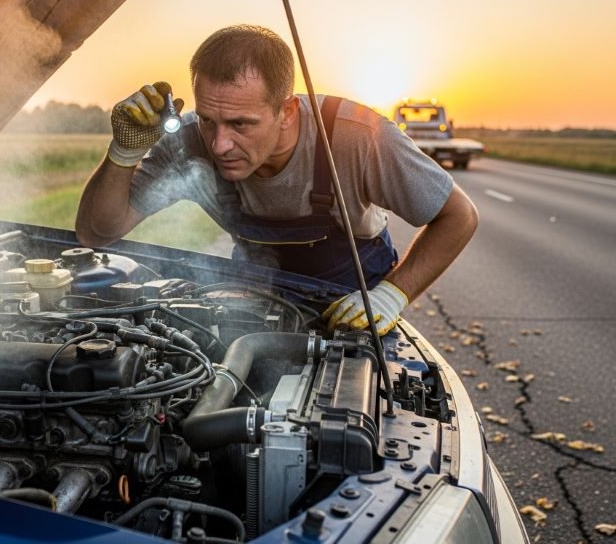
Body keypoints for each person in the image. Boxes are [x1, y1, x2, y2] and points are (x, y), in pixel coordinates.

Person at [76, 25, 478, 335]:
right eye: (209, 120)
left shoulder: (357, 136)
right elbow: (98, 233)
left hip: (353, 304)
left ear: (286, 112)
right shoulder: (188, 142)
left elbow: (459, 216)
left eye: (240, 124)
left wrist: (391, 296)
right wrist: (124, 152)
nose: (219, 145)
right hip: (253, 295)